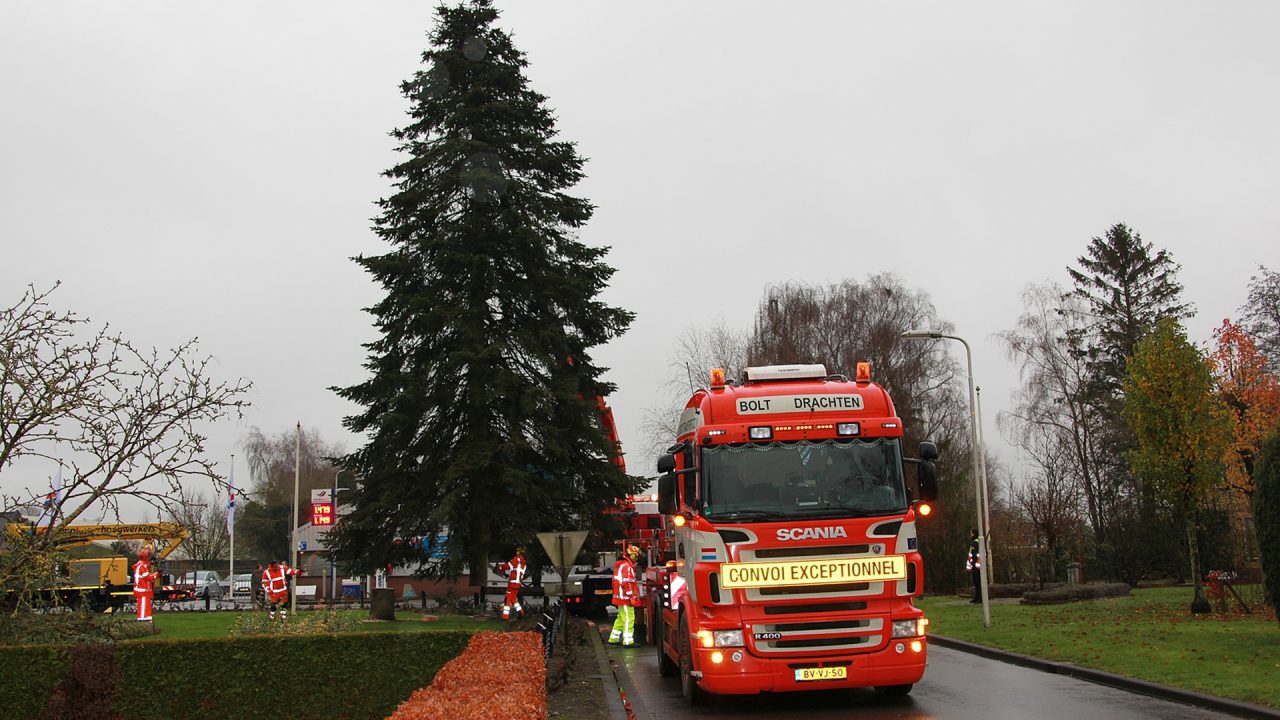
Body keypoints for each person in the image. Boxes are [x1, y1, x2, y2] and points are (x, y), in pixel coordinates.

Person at [607, 545, 642, 647]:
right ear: (631, 556)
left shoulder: (622, 565)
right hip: (625, 598)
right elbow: (627, 583)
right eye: (636, 557)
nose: (636, 559)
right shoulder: (627, 567)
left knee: (621, 618)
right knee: (628, 619)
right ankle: (628, 641)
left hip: (620, 598)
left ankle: (613, 638)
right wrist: (632, 596)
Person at [497, 547, 528, 621]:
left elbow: (507, 566)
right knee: (514, 599)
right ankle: (521, 613)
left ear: (518, 553)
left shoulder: (515, 560)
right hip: (517, 584)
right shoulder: (524, 564)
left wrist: (499, 567)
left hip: (512, 583)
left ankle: (505, 617)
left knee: (508, 599)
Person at [132, 547, 156, 622]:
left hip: (142, 589)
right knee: (143, 606)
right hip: (142, 590)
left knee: (146, 605)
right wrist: (157, 574)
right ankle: (142, 620)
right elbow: (148, 577)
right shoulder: (142, 566)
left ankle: (147, 619)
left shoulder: (141, 565)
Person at [966, 529, 982, 604]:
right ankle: (977, 597)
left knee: (977, 582)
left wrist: (972, 563)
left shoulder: (975, 542)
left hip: (976, 565)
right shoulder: (978, 541)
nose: (970, 534)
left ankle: (979, 598)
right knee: (977, 582)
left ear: (974, 533)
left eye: (971, 533)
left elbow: (974, 554)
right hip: (978, 565)